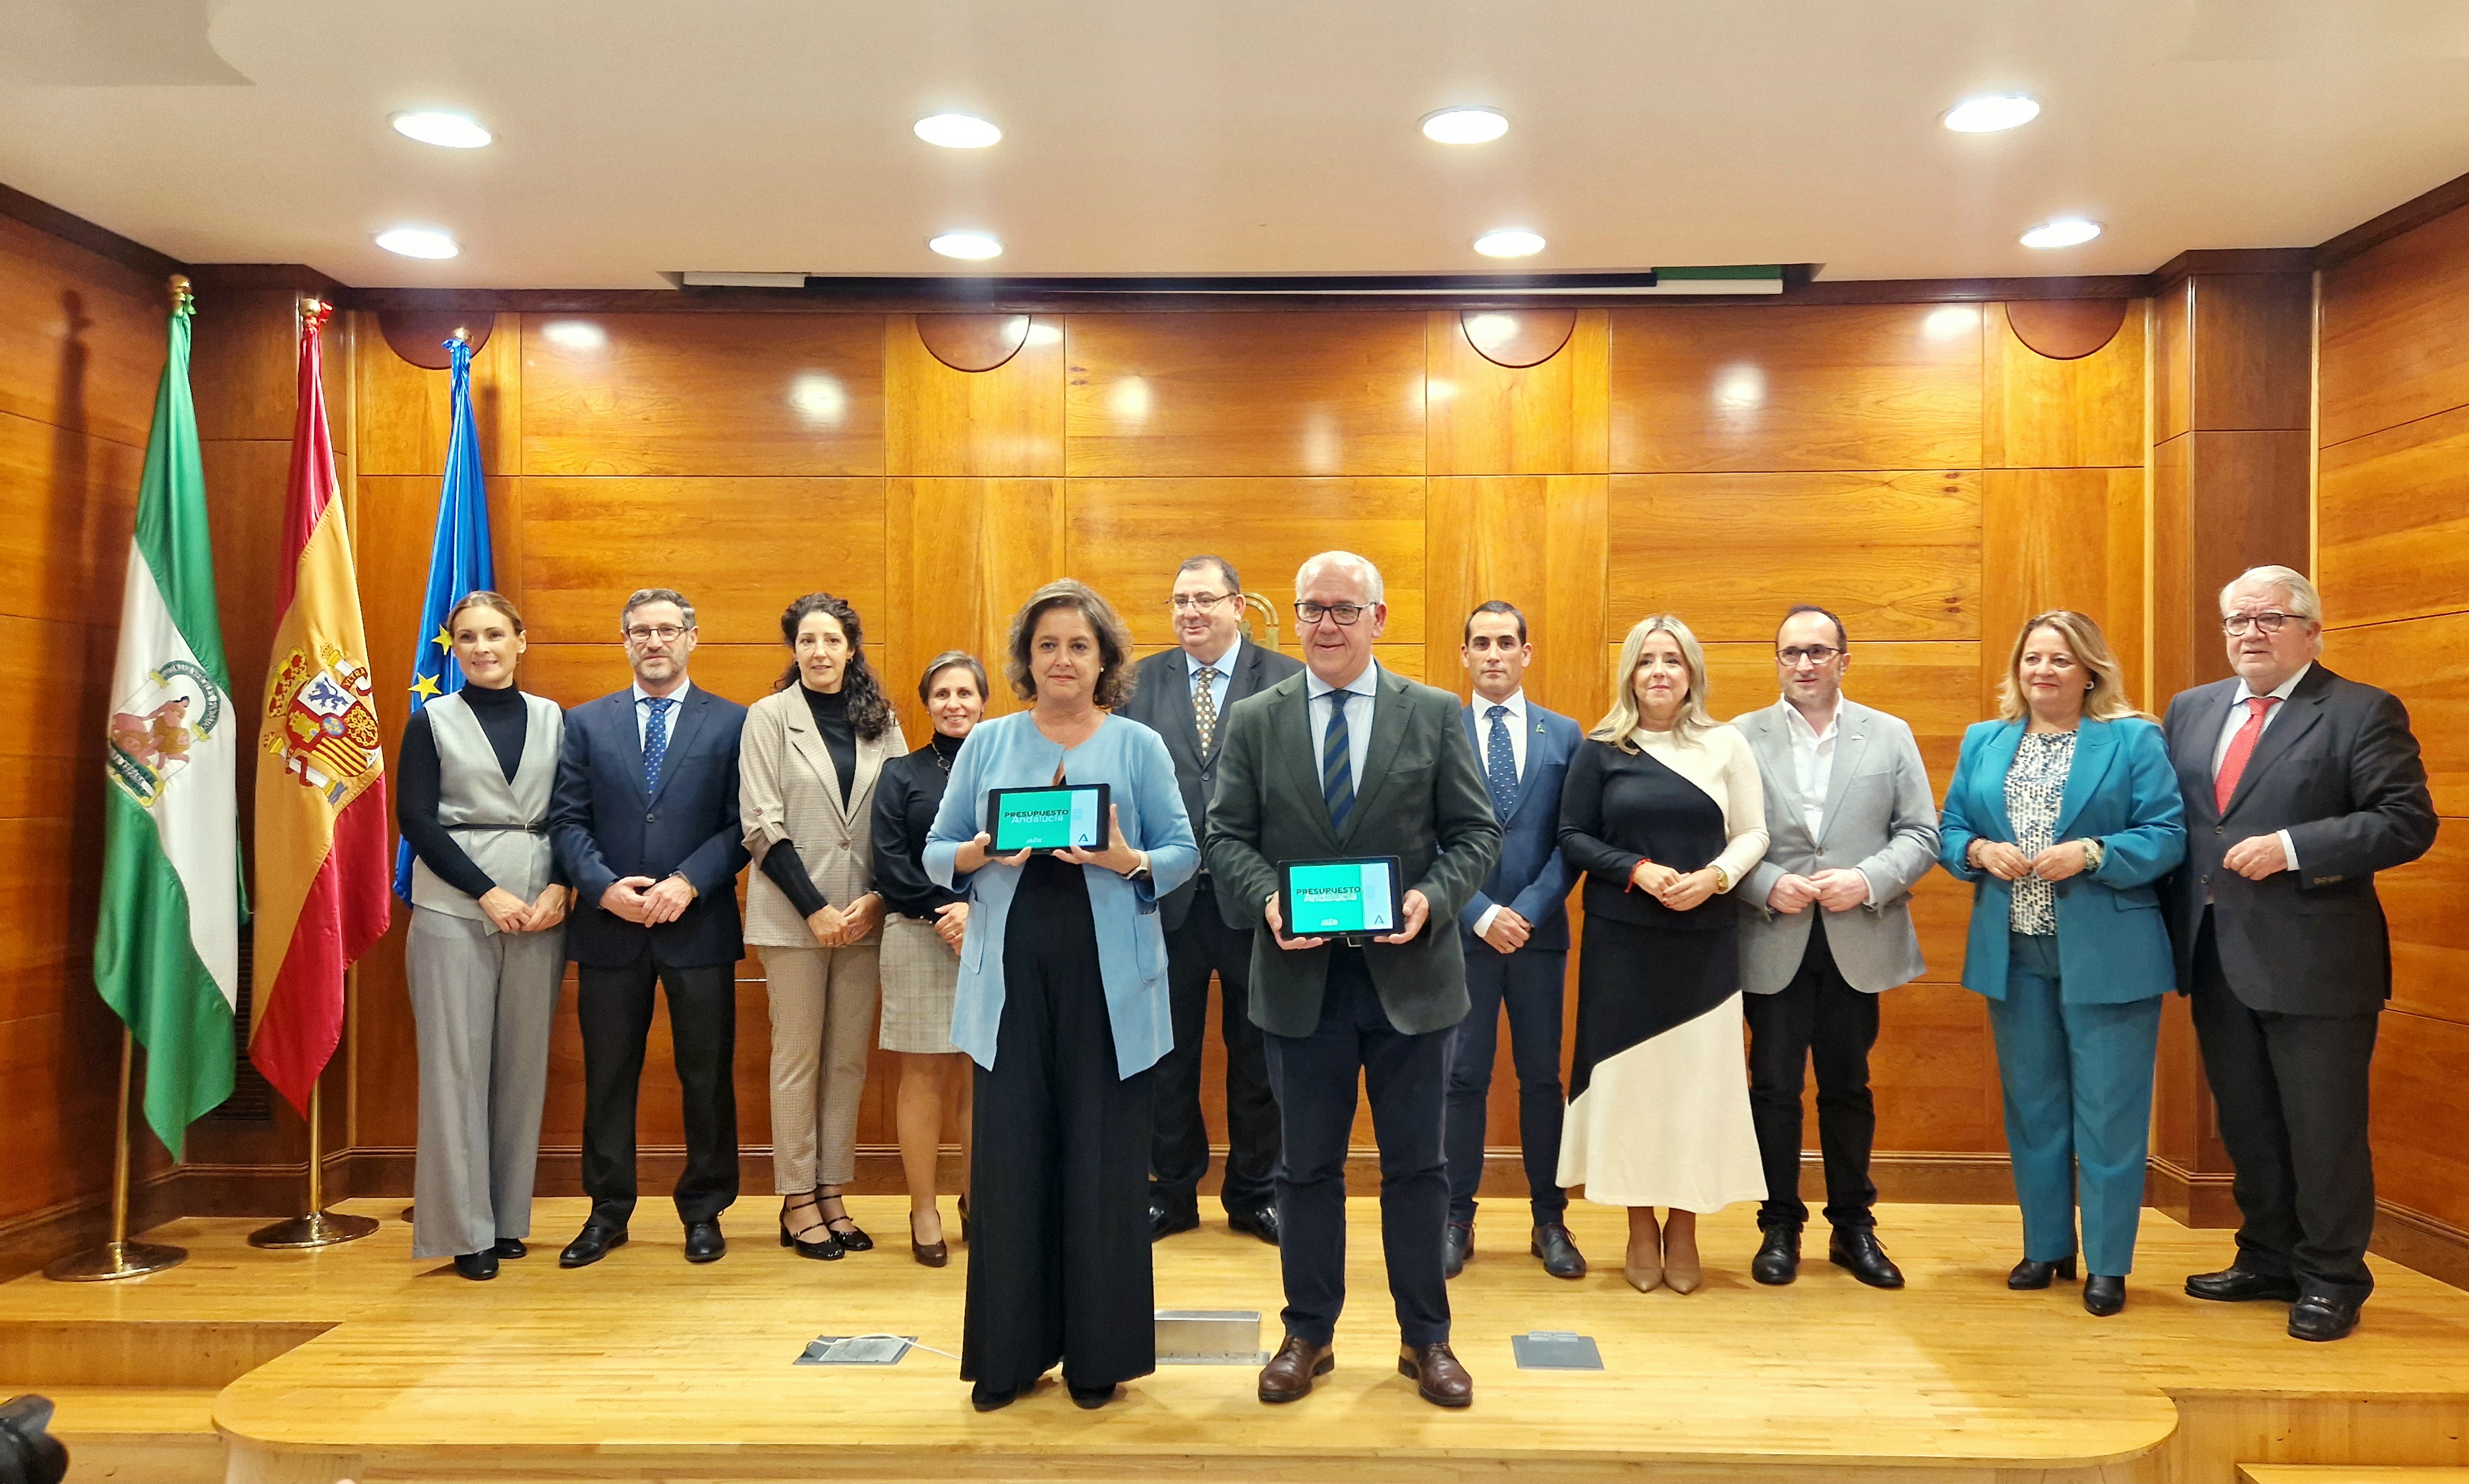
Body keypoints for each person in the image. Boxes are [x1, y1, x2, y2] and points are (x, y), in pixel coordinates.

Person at [1206, 550, 1500, 1410]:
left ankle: (1425, 1339)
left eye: (1342, 609)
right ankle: (1307, 1333)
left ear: (1376, 619)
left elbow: (1474, 837)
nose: (1325, 625)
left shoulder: (1435, 714)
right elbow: (1226, 836)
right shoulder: (1256, 719)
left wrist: (1427, 900)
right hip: (1299, 987)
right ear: (1292, 620)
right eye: (1310, 610)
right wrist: (1267, 903)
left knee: (1418, 1168)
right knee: (1304, 1171)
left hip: (1411, 981)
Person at [923, 580, 1198, 1412]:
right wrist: (975, 852)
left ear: (1104, 657)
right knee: (1010, 1167)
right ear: (1027, 658)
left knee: (1103, 1166)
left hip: (1109, 986)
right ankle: (1007, 1356)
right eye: (1047, 645)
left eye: (1079, 645)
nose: (1062, 659)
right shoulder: (988, 740)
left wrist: (1124, 859)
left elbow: (1184, 851)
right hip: (1008, 980)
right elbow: (934, 851)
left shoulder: (1139, 743)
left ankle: (1097, 1356)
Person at [2163, 565, 2435, 1342]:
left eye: (2270, 618)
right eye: (2236, 620)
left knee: (2322, 1127)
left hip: (2317, 961)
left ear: (2311, 630)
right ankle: (2266, 1255)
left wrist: (2291, 845)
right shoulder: (2189, 710)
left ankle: (2332, 1277)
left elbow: (2405, 821)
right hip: (2215, 954)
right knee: (2247, 1123)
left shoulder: (2358, 710)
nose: (2249, 632)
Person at [1938, 610, 2184, 1317]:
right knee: (2034, 1108)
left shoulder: (2132, 737)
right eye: (2031, 659)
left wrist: (2095, 852)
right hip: (2011, 949)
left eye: (2058, 660)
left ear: (2089, 671)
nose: (2042, 671)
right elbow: (1952, 827)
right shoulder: (1984, 740)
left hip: (2109, 952)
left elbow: (2165, 834)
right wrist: (1978, 852)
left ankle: (2107, 1262)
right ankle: (2046, 1245)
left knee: (2109, 1113)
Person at [1556, 614, 1768, 1296]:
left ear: (1691, 673)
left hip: (1702, 946)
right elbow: (1572, 836)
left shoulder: (1723, 744)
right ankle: (1638, 1224)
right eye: (1645, 659)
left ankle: (1684, 1226)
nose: (1658, 671)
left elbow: (1753, 832)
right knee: (1633, 1093)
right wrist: (1636, 870)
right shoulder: (1601, 746)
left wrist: (1715, 877)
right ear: (1629, 672)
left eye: (1671, 660)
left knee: (1692, 1091)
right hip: (1622, 943)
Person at [1731, 604, 1938, 1290]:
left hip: (1858, 934)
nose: (1804, 664)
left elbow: (1919, 832)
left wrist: (1865, 877)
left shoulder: (1889, 733)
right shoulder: (1739, 736)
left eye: (1818, 651)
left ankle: (1852, 1225)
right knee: (1773, 1087)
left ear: (1843, 660)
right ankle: (1778, 1224)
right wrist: (1763, 883)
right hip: (1773, 936)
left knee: (1848, 1086)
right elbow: (1718, 837)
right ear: (1777, 660)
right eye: (1790, 652)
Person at [548, 587, 751, 1269]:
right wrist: (603, 889)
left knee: (706, 1073)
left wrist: (687, 881)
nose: (654, 641)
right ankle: (607, 1211)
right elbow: (566, 820)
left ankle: (705, 1208)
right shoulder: (584, 723)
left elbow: (741, 824)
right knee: (608, 1075)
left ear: (693, 636)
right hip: (611, 929)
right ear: (625, 640)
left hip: (698, 924)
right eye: (641, 631)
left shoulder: (732, 722)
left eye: (667, 629)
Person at [1118, 555, 1300, 1245]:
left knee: (1257, 1052)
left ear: (1238, 604)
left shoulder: (1284, 680)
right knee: (1167, 1055)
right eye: (1177, 600)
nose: (1189, 611)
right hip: (1162, 901)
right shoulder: (1139, 683)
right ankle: (1171, 1190)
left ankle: (1254, 1193)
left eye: (1203, 598)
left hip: (1255, 902)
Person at [397, 591, 572, 1280]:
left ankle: (503, 1218)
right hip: (456, 909)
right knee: (456, 1070)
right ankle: (461, 1229)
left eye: (495, 634)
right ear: (454, 647)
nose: (482, 647)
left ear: (520, 639)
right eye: (467, 637)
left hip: (542, 911)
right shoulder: (430, 720)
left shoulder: (554, 719)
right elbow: (416, 819)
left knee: (520, 1067)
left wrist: (563, 885)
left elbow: (572, 810)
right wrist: (486, 891)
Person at [740, 593, 905, 1262]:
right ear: (794, 649)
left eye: (830, 640)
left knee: (845, 1060)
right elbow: (760, 821)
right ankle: (796, 1197)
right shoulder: (768, 717)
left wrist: (872, 899)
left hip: (864, 916)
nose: (818, 652)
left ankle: (832, 1188)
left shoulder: (881, 720)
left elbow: (898, 817)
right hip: (792, 917)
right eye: (806, 640)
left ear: (850, 647)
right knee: (797, 1059)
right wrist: (813, 907)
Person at [1443, 600, 1584, 1281]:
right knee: (1460, 1078)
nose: (1493, 653)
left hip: (1537, 935)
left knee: (1540, 1078)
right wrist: (1478, 912)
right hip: (1462, 936)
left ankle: (1548, 1217)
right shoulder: (1440, 730)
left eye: (1505, 642)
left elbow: (1571, 840)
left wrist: (1522, 911)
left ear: (1526, 653)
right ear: (1463, 655)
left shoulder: (1564, 734)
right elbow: (1426, 835)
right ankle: (1453, 1216)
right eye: (1480, 643)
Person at [871, 650, 988, 1267]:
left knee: (981, 1078)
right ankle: (923, 1209)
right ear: (927, 703)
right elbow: (887, 863)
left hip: (992, 935)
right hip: (919, 934)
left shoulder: (1011, 768)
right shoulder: (901, 773)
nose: (954, 704)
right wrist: (949, 910)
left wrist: (978, 912)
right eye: (942, 694)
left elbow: (1030, 853)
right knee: (923, 1077)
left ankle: (979, 1200)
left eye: (966, 693)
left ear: (984, 701)